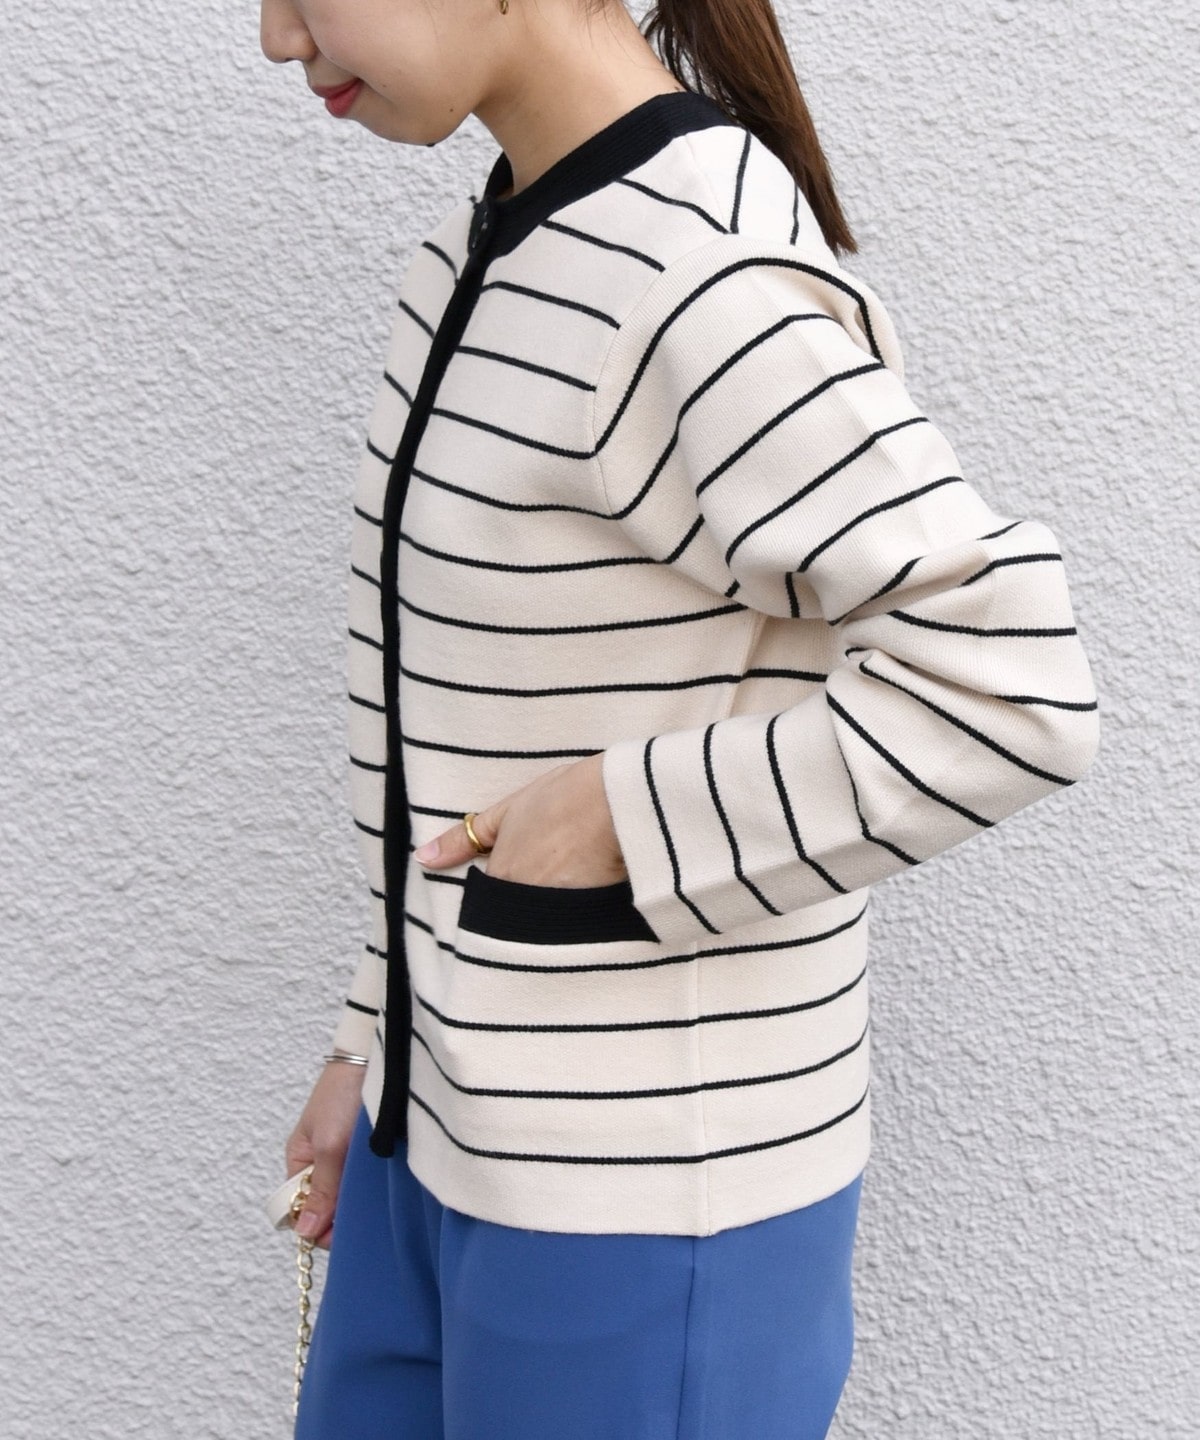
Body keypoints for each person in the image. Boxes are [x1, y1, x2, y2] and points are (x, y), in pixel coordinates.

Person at [259, 0, 1101, 1435]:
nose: (278, 37)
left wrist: (616, 816)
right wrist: (371, 1040)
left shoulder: (694, 279)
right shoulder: (488, 247)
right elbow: (460, 728)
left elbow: (1011, 685)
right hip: (440, 1135)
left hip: (642, 1214)